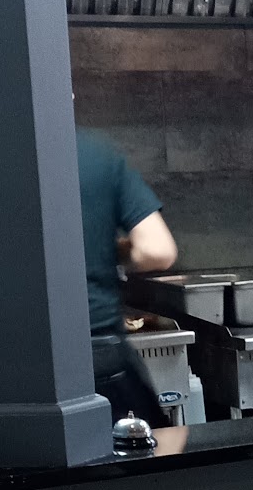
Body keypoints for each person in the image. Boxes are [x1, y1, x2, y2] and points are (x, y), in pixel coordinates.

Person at [75, 128, 179, 425]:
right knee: (149, 448)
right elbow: (158, 250)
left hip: (15, 367)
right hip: (100, 357)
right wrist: (107, 250)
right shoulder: (96, 155)